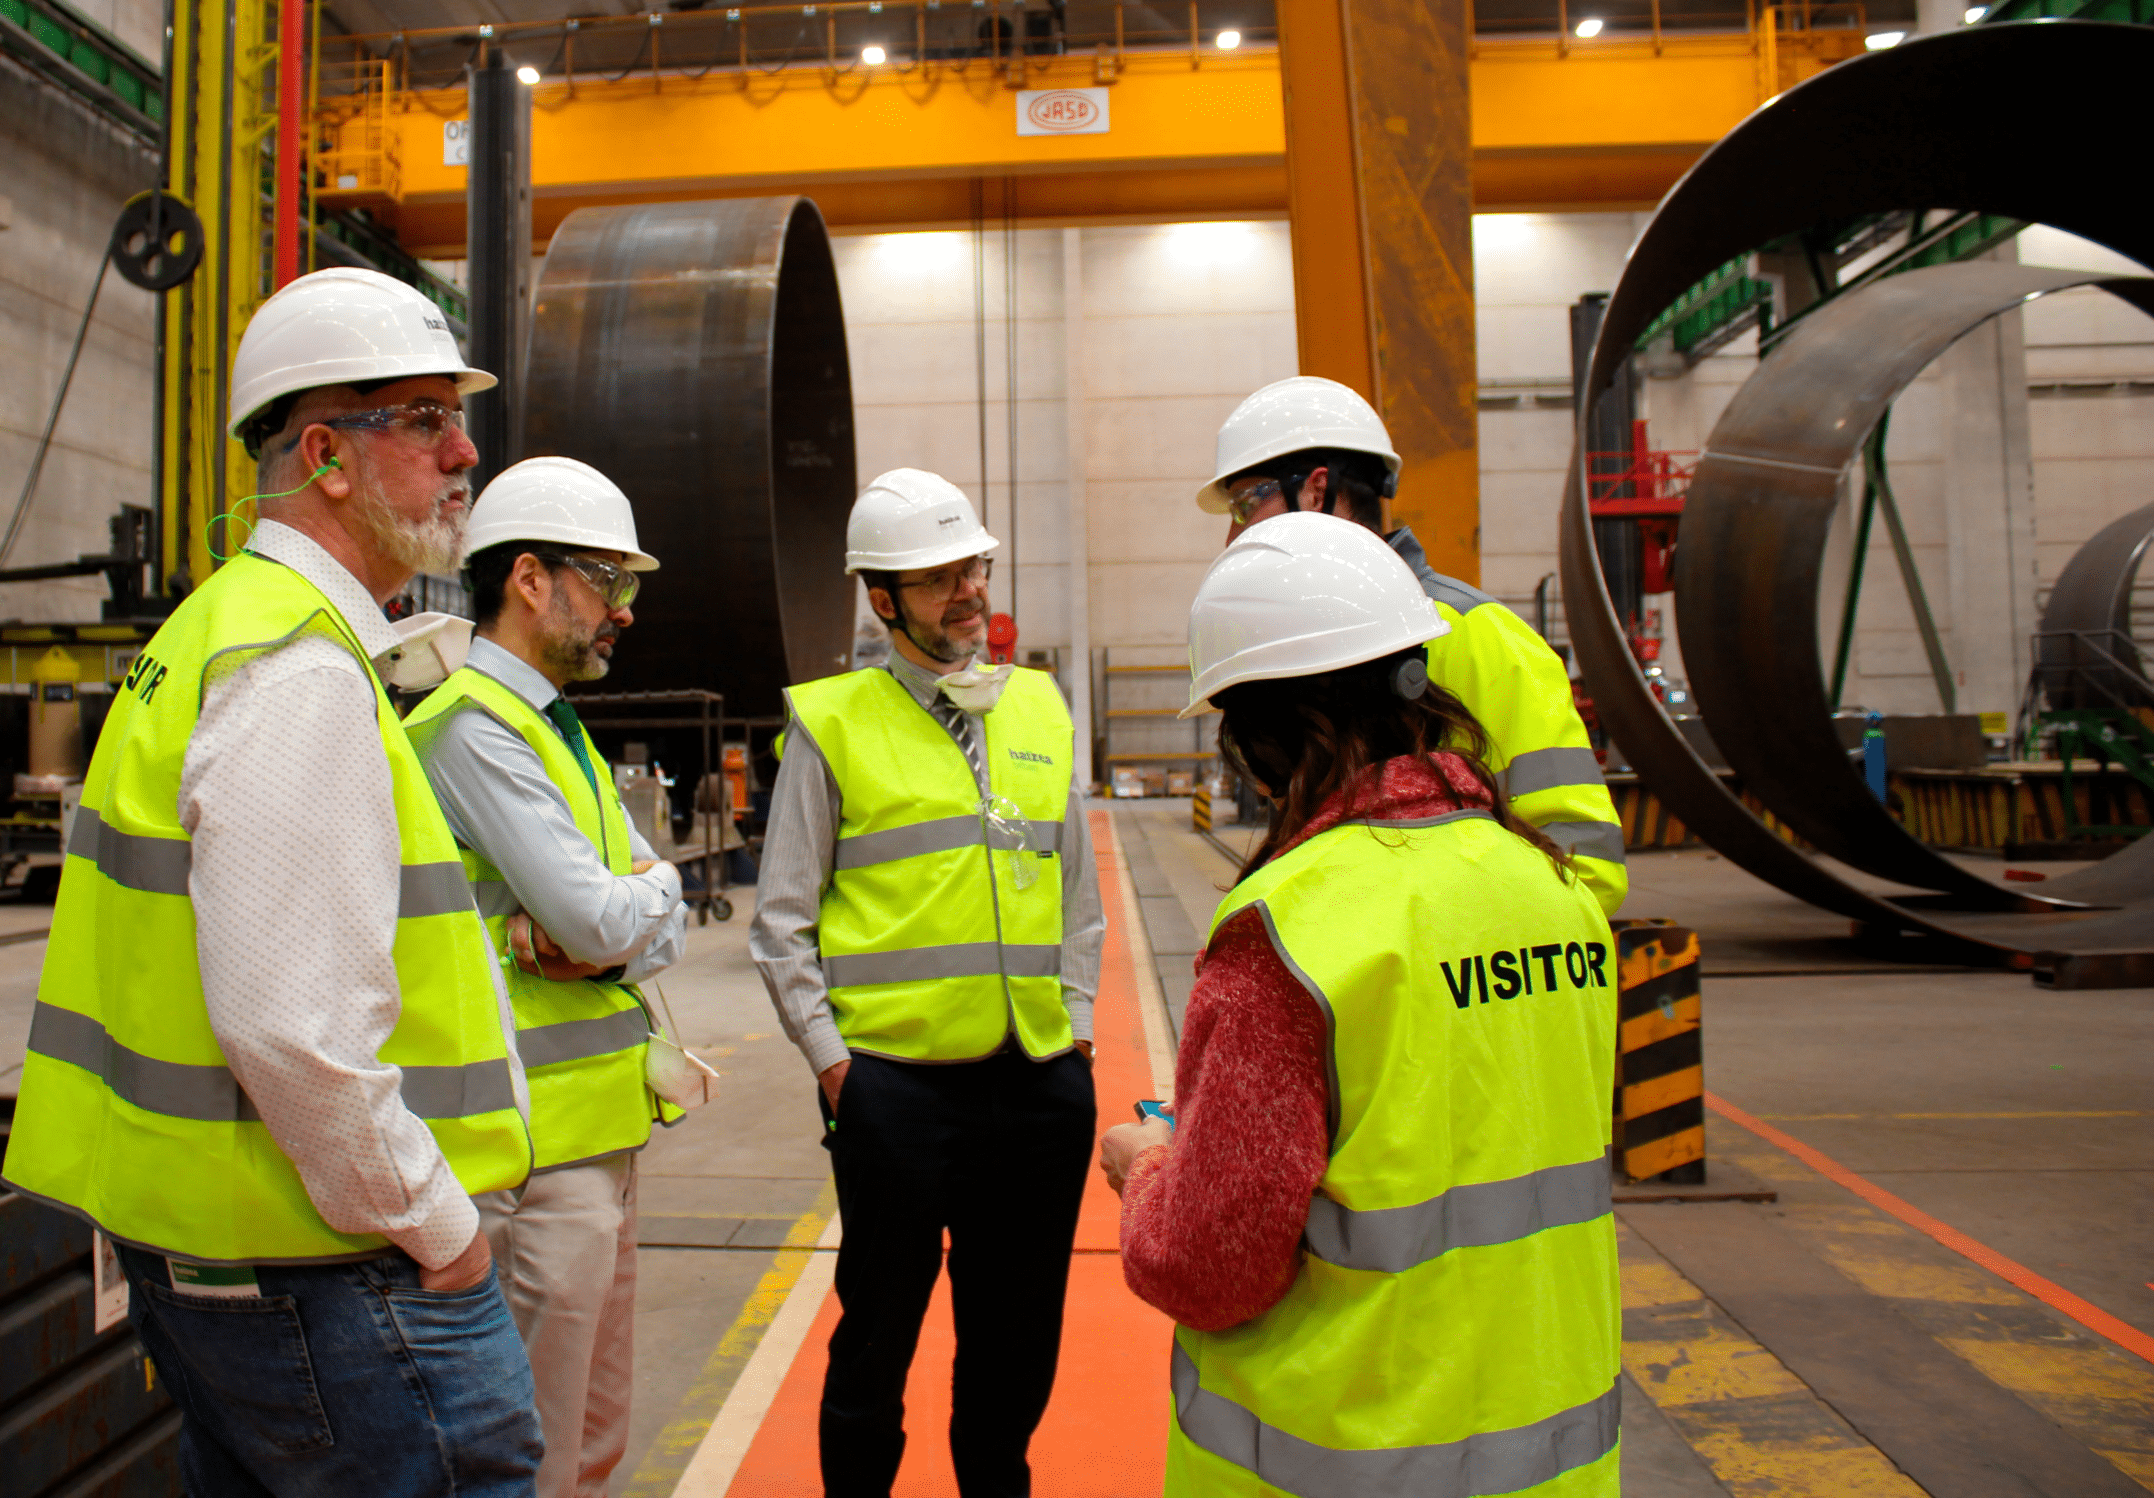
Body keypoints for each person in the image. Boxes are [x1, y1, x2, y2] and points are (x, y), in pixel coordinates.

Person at [3, 267, 540, 1498]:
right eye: (422, 417)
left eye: (458, 419)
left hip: (231, 1259)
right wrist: (442, 1237)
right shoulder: (296, 665)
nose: (463, 451)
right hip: (339, 1273)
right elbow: (292, 1029)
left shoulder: (217, 628)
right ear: (325, 455)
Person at [1099, 510, 1622, 1498]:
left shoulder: (1287, 932)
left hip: (1345, 1455)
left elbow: (1210, 1264)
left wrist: (1151, 1170)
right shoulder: (1552, 894)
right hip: (1554, 1466)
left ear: (1264, 728)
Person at [749, 467, 1104, 1498]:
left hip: (1037, 1085)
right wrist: (834, 1067)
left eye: (973, 567)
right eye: (938, 575)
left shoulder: (1038, 708)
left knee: (1015, 1342)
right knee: (878, 1340)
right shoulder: (832, 723)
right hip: (893, 1091)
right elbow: (781, 922)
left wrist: (1075, 1031)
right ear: (881, 597)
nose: (966, 590)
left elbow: (1074, 893)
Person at [407, 455, 688, 1498]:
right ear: (530, 579)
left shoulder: (548, 727)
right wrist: (630, 908)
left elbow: (642, 915)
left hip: (594, 1135)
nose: (622, 612)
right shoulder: (472, 728)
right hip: (529, 1156)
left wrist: (632, 911)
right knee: (528, 1457)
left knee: (590, 1444)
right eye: (608, 583)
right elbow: (605, 911)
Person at [1198, 376, 1630, 917]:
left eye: (1244, 505)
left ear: (1315, 489)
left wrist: (1422, 954)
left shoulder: (1482, 637)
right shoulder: (1304, 650)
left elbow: (1585, 866)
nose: (1233, 539)